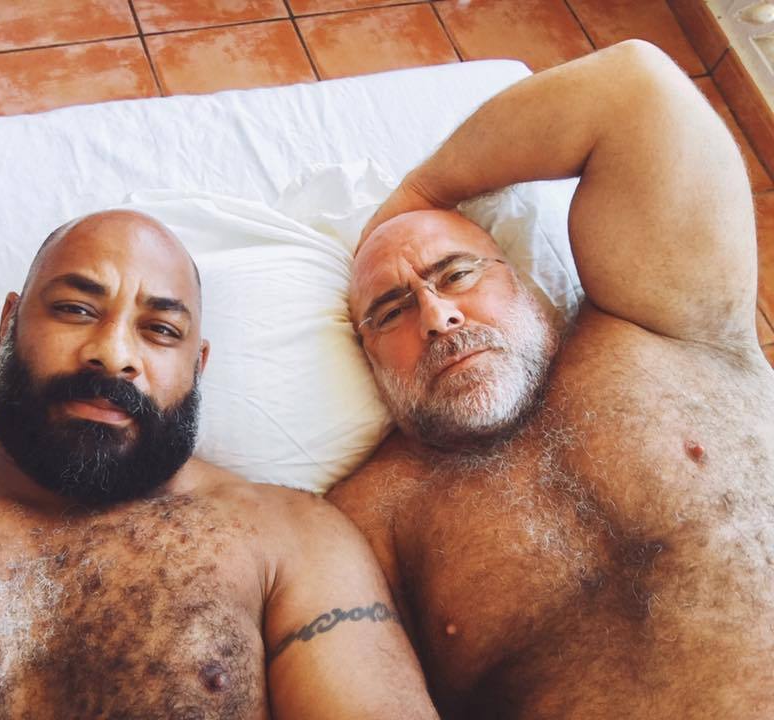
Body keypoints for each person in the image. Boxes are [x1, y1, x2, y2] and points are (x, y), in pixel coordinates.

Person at [0, 210, 439, 720]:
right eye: (76, 310)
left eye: (160, 330)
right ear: (9, 326)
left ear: (198, 367)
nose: (114, 354)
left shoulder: (295, 540)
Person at [328, 40, 774, 719]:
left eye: (458, 273)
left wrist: (419, 194)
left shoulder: (660, 325)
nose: (438, 317)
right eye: (390, 311)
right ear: (367, 359)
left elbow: (633, 88)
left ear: (527, 282)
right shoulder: (370, 524)